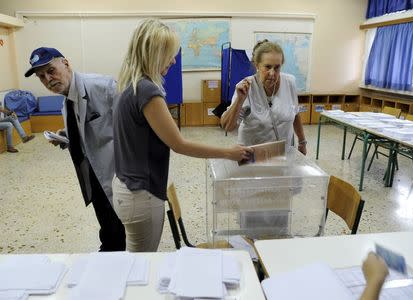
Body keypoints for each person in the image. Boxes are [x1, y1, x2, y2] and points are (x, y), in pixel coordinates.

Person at [113, 19, 253, 252]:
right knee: (141, 264)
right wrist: (230, 152)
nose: (174, 60)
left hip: (125, 186)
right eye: (169, 54)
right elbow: (179, 144)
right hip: (141, 193)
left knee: (136, 259)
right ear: (154, 54)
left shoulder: (128, 85)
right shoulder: (147, 90)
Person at [25, 47, 125, 251]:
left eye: (51, 70)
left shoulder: (104, 88)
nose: (48, 79)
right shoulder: (66, 102)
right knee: (107, 226)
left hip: (117, 176)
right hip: (93, 175)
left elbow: (133, 130)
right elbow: (87, 130)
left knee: (120, 231)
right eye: (41, 77)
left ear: (66, 64)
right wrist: (68, 135)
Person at [220, 40, 307, 155]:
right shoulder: (246, 87)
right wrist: (239, 100)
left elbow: (295, 113)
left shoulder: (289, 82)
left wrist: (302, 142)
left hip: (282, 153)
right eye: (267, 67)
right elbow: (227, 126)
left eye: (277, 68)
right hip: (252, 154)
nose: (272, 73)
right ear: (257, 65)